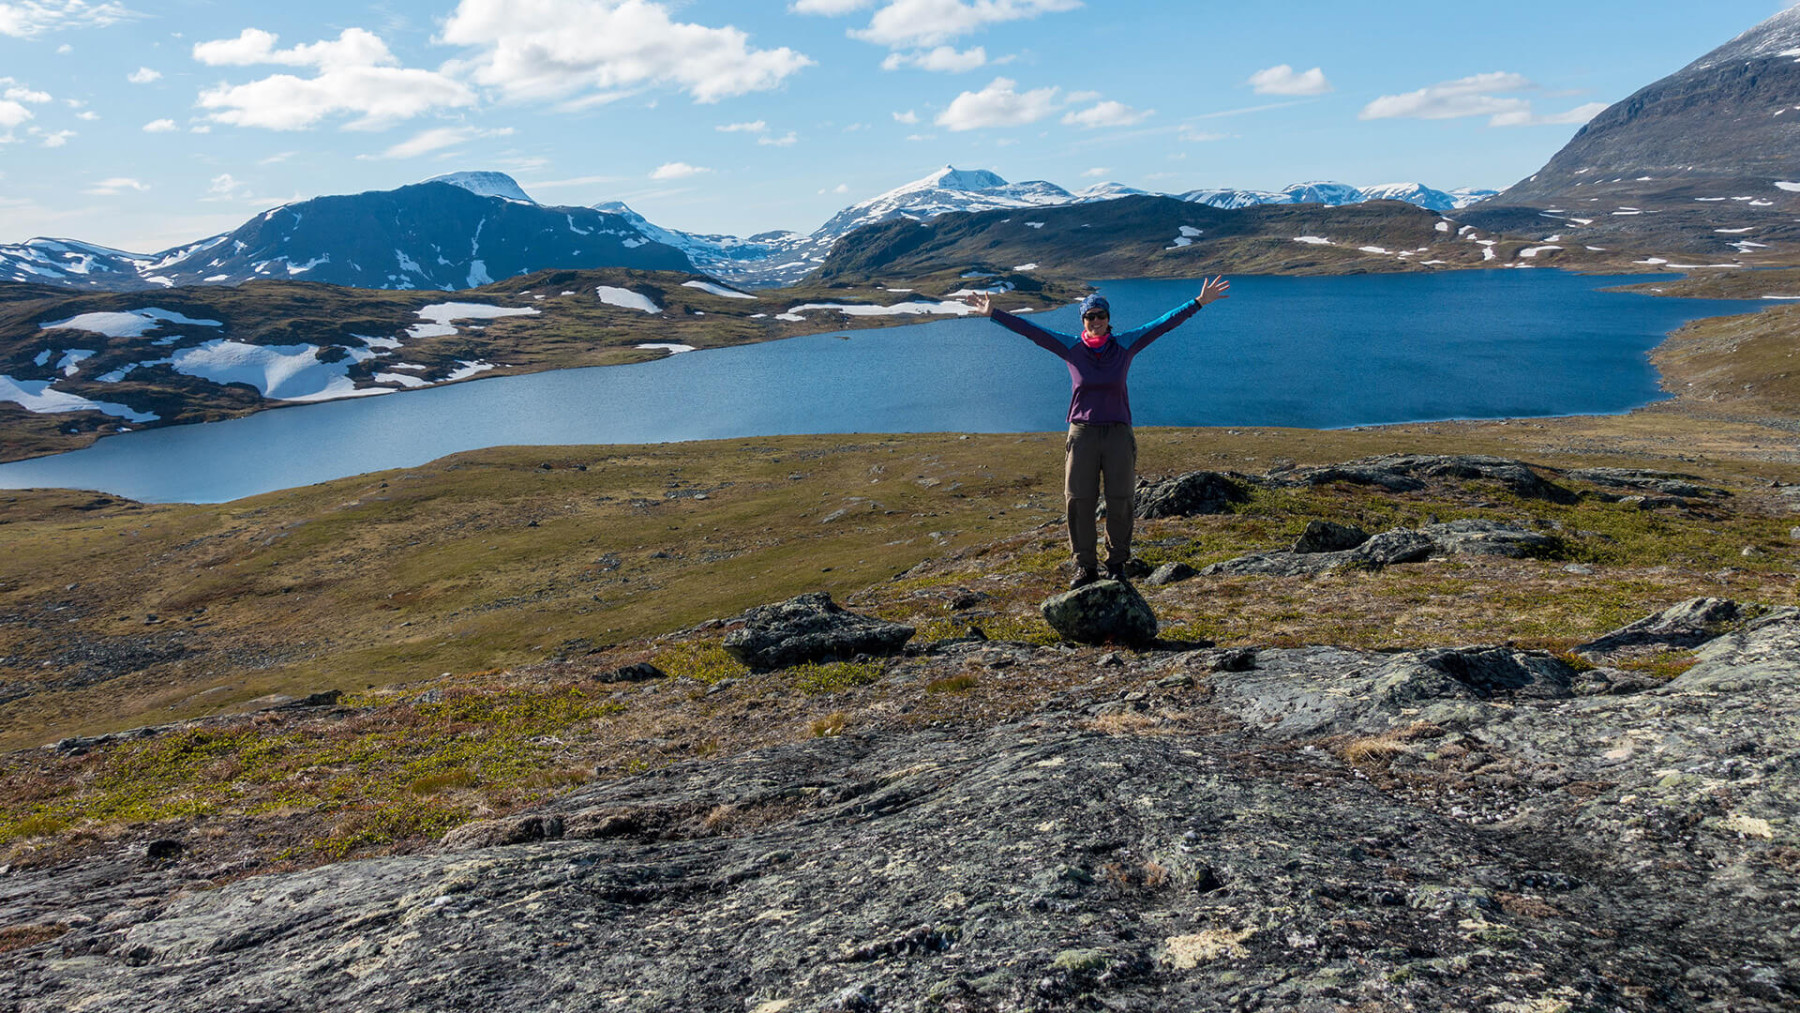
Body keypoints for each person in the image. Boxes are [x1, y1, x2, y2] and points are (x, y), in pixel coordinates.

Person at [964, 278, 1231, 588]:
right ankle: (1085, 567)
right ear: (1083, 320)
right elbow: (1032, 332)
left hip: (1118, 433)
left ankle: (1117, 564)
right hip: (1082, 434)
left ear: (1108, 320)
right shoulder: (1071, 348)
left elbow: (1162, 325)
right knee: (1078, 500)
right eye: (1090, 317)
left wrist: (1197, 303)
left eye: (1100, 316)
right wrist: (994, 313)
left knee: (1121, 499)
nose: (1095, 321)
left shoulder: (1126, 345)